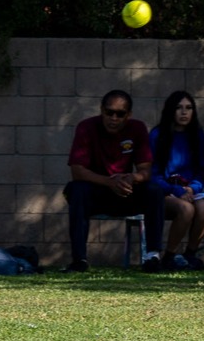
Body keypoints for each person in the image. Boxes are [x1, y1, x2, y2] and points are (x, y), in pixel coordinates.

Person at [64, 90, 166, 272]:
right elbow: (77, 171)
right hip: (97, 192)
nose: (114, 118)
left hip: (125, 193)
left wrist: (131, 178)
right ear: (101, 110)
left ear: (129, 115)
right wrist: (109, 182)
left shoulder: (137, 128)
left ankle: (153, 256)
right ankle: (79, 259)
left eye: (120, 114)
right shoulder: (86, 127)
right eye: (109, 112)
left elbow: (146, 170)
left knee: (154, 190)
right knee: (76, 189)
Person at [149, 90, 204, 270]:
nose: (184, 112)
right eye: (179, 108)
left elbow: (203, 171)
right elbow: (153, 175)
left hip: (190, 191)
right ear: (170, 110)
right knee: (186, 209)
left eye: (189, 108)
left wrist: (192, 188)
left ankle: (190, 255)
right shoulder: (157, 134)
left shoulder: (197, 135)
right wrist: (177, 191)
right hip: (165, 191)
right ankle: (169, 256)